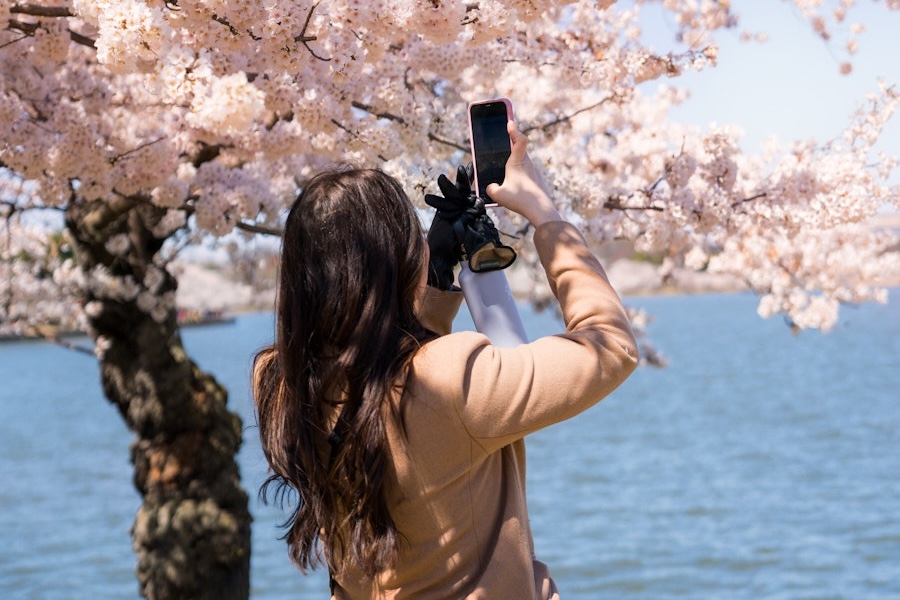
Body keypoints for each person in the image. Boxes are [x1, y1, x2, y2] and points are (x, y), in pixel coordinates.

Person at [252, 122, 639, 599]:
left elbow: (387, 383)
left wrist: (434, 280)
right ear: (396, 262)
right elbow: (610, 346)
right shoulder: (453, 378)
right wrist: (546, 215)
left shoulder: (279, 383)